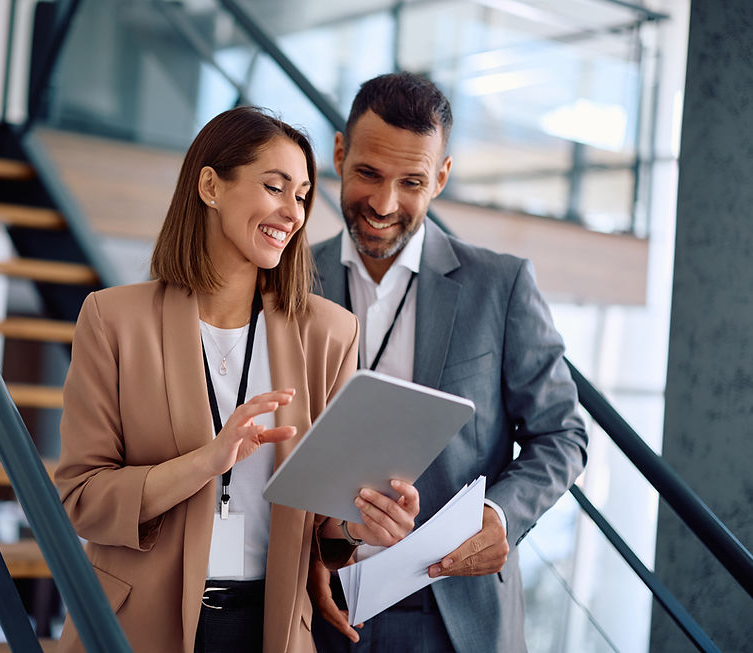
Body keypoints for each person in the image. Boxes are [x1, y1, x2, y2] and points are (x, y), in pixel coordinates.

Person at [54, 106, 420, 653]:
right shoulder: (113, 320)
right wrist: (209, 460)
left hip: (268, 627)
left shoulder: (330, 333)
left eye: (301, 195)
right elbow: (80, 499)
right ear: (210, 185)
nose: (292, 212)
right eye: (275, 187)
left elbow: (323, 522)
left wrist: (360, 529)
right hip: (136, 625)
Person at [308, 72, 589, 652]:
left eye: (411, 181)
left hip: (453, 613)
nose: (384, 204)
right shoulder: (285, 282)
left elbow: (562, 433)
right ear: (339, 154)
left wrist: (501, 514)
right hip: (317, 602)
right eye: (368, 174)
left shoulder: (501, 285)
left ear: (441, 177)